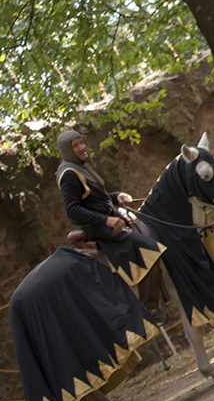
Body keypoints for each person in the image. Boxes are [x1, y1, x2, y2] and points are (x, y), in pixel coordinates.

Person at [56, 129, 167, 321]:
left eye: (81, 142)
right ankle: (150, 308)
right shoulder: (68, 174)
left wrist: (117, 197)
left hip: (108, 221)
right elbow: (72, 210)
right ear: (67, 150)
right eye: (75, 145)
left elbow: (96, 200)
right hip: (97, 228)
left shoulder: (81, 167)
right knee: (149, 248)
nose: (81, 147)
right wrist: (106, 220)